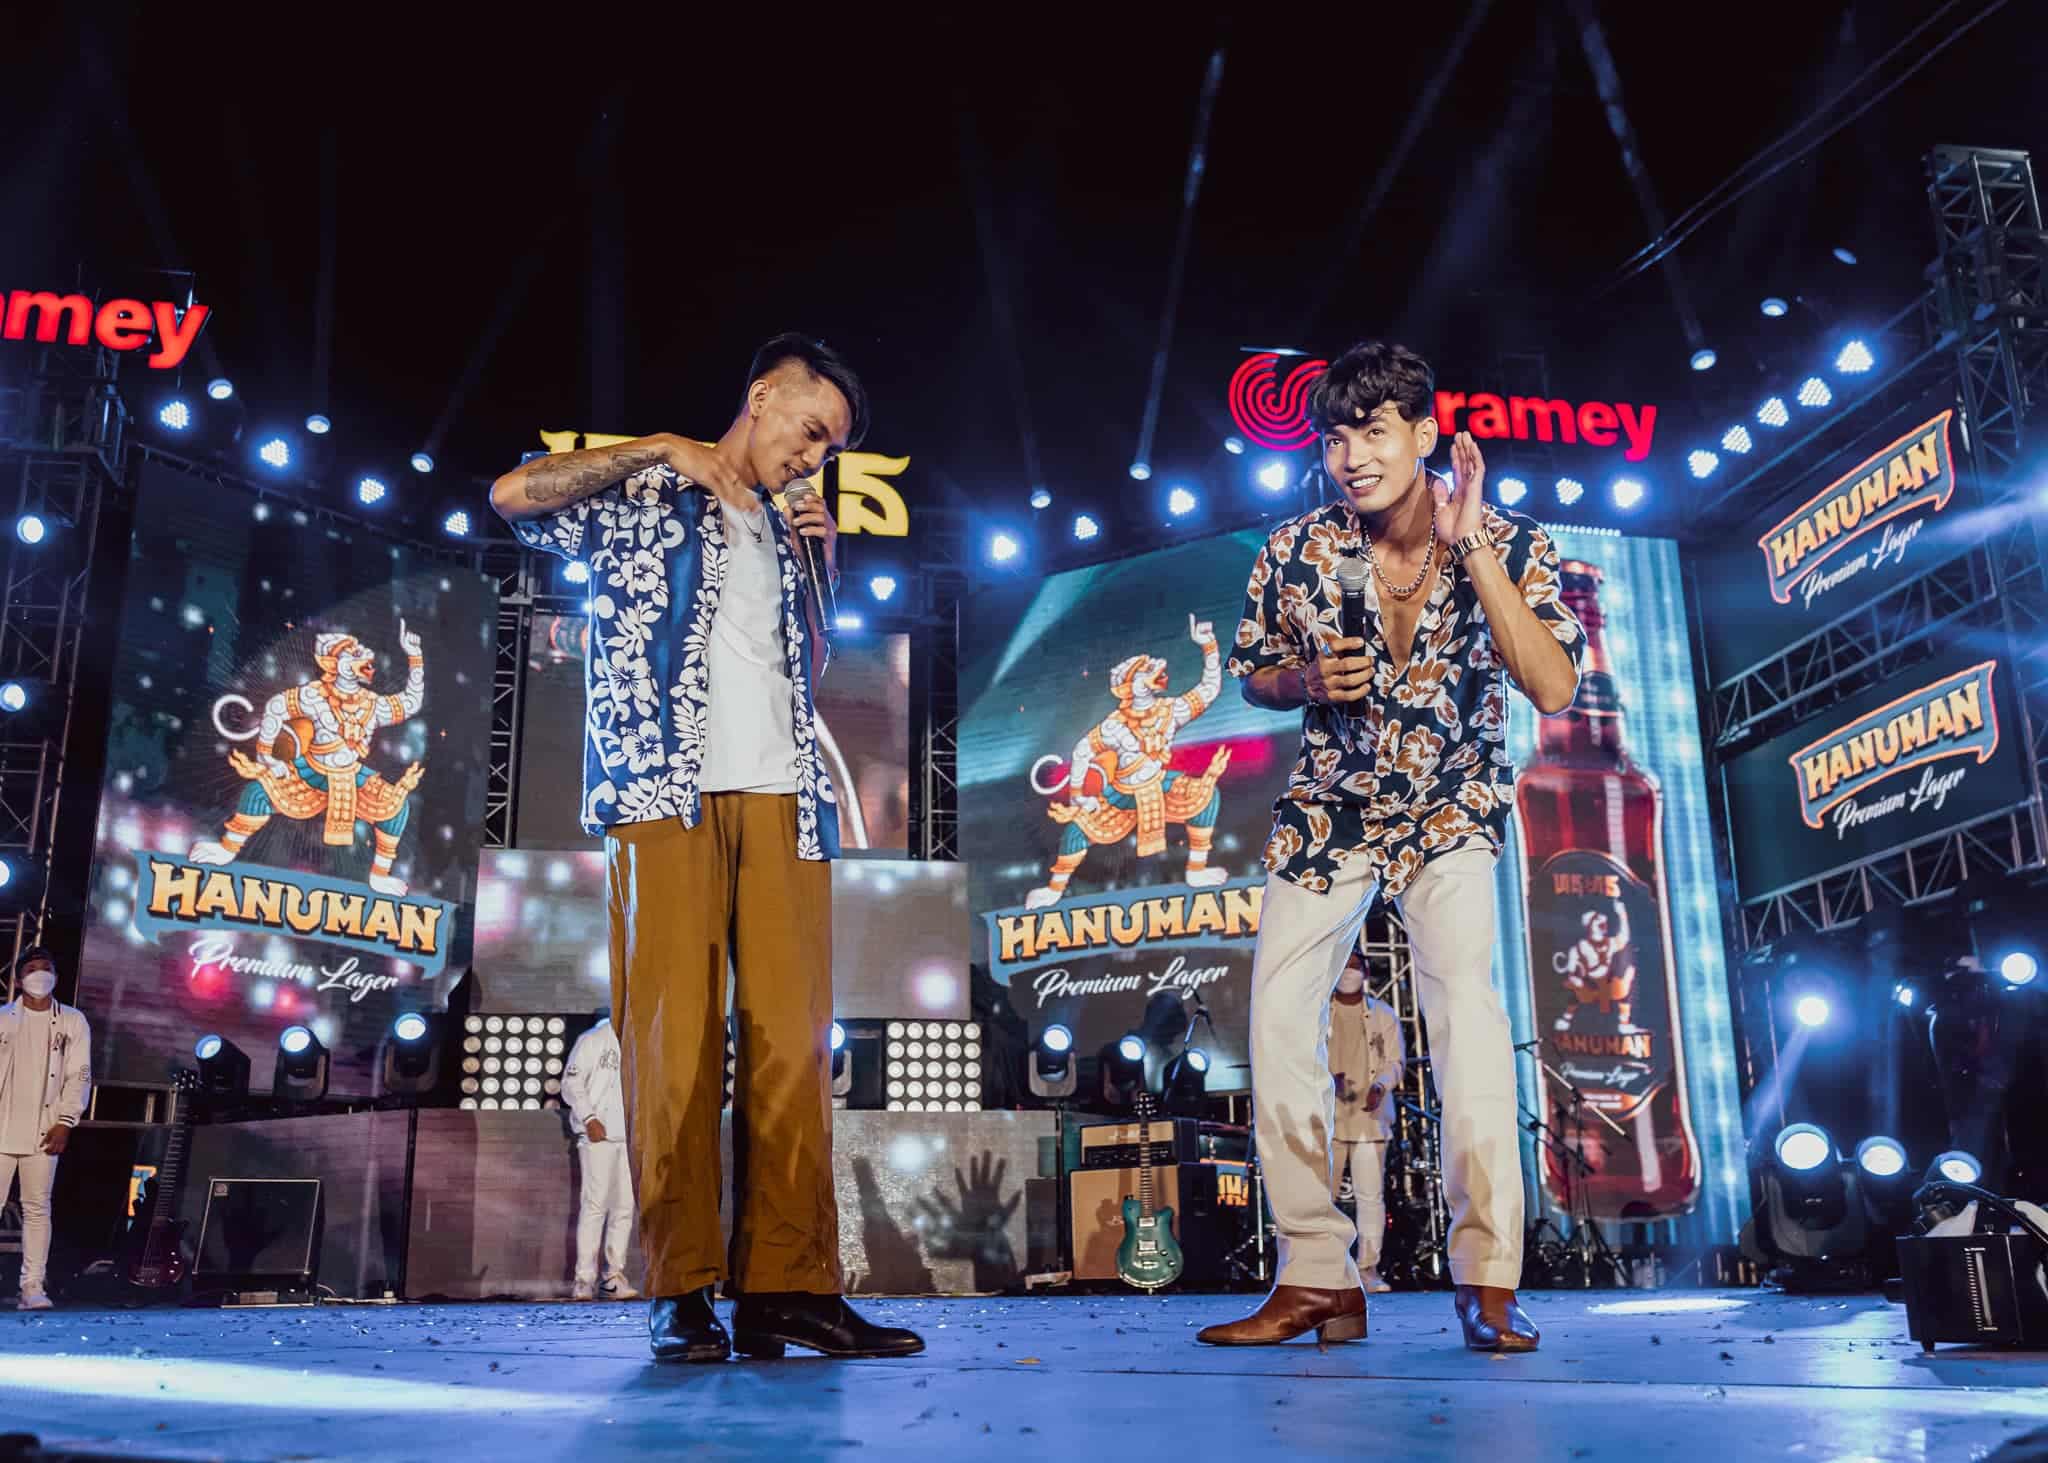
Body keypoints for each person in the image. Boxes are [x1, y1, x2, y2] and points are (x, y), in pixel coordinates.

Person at [490, 334, 922, 1365]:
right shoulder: (649, 489)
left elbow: (805, 664)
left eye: (830, 449)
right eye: (810, 431)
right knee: (670, 1043)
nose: (813, 457)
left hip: (785, 803)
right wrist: (660, 447)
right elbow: (512, 494)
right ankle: (680, 1290)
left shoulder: (792, 530)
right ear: (762, 396)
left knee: (792, 1050)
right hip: (662, 791)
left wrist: (823, 560)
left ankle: (786, 1290)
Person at [1198, 341, 1585, 1354]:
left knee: (1467, 1015)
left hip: (1450, 804)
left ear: (1424, 433)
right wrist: (1300, 683)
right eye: (1334, 438)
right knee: (1276, 1020)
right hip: (1329, 809)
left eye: (1372, 432)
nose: (1352, 457)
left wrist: (1473, 547)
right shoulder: (1293, 548)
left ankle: (1487, 1278)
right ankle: (1318, 1275)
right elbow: (1254, 671)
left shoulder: (1513, 541)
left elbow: (1550, 685)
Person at [1, 947, 92, 1311]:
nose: (40, 974)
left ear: (56, 975)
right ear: (19, 979)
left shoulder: (72, 1021)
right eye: (32, 969)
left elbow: (79, 1075)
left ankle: (32, 1287)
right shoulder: (2, 1018)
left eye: (46, 968)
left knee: (38, 1209)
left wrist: (66, 1121)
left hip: (44, 1129)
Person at [1327, 947, 1404, 1294]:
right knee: (1322, 1198)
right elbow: (1304, 1058)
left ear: (1367, 973)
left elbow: (1395, 1062)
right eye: (1344, 966)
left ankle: (1368, 1269)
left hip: (1369, 1120)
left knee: (1370, 1197)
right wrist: (1327, 1079)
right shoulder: (1318, 1013)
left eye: (1356, 966)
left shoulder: (1383, 1014)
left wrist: (1380, 1086)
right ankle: (1326, 1267)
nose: (1349, 972)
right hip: (1328, 1119)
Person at [561, 1009, 639, 1302]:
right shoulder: (593, 1039)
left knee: (624, 1208)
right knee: (595, 1206)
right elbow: (571, 1083)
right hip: (598, 1135)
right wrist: (590, 1118)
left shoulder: (639, 1039)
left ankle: (613, 1278)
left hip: (628, 1136)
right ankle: (584, 1280)